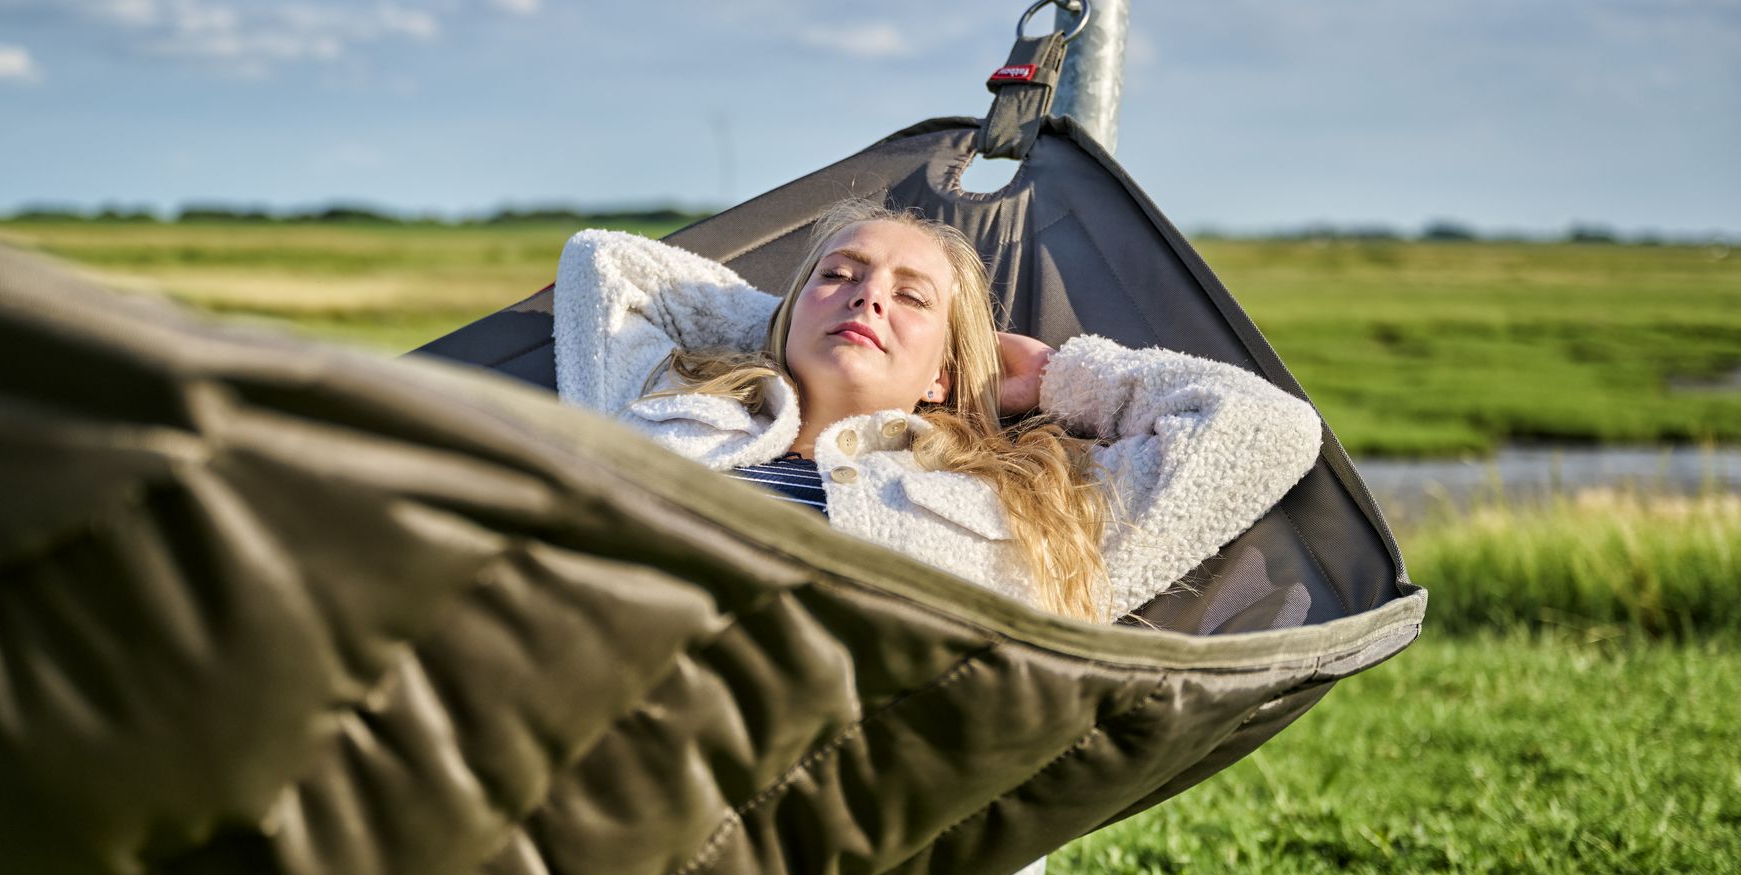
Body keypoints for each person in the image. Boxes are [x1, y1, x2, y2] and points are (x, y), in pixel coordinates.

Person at [552, 199, 1323, 624]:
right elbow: (605, 264)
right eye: (841, 275)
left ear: (944, 375)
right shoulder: (671, 406)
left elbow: (1268, 428)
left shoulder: (1025, 508)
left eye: (910, 296)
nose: (870, 293)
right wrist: (786, 327)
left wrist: (1061, 377)